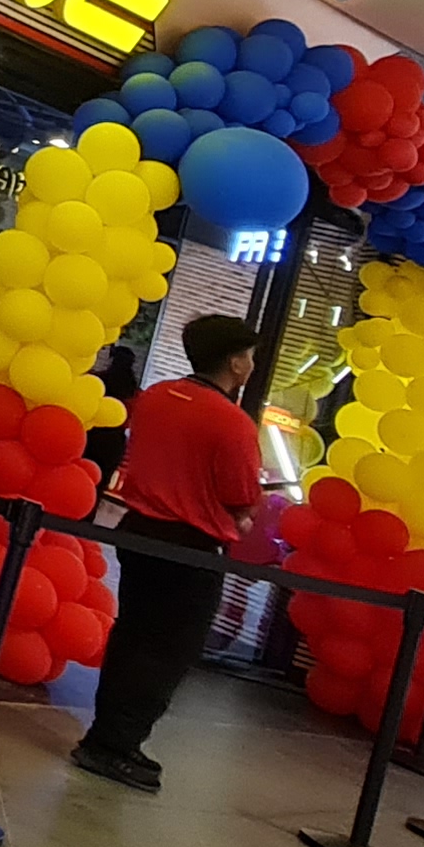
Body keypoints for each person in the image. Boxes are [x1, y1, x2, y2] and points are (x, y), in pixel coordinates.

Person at [73, 313, 270, 793]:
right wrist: (244, 515)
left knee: (133, 636)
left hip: (139, 532)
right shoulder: (233, 423)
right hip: (191, 548)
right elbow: (241, 493)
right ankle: (114, 746)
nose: (250, 364)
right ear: (235, 362)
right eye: (248, 356)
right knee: (169, 651)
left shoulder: (157, 397)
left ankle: (108, 735)